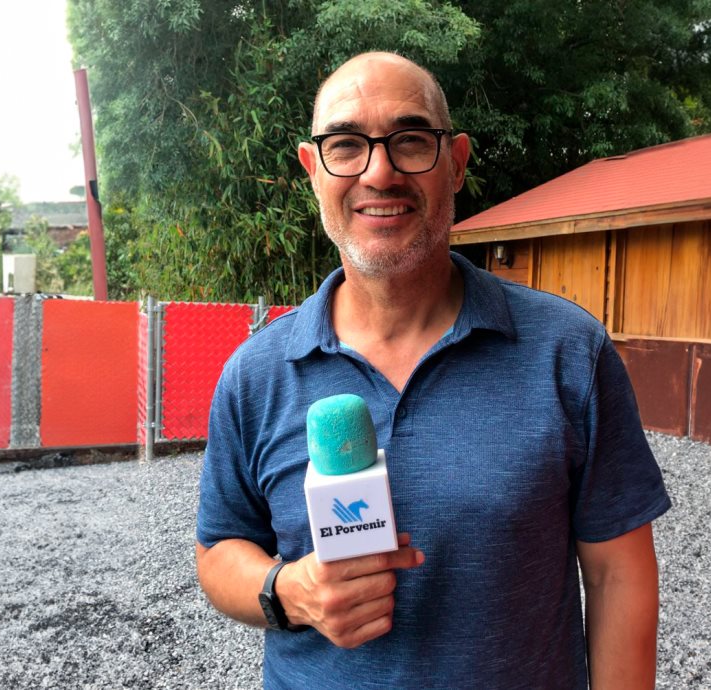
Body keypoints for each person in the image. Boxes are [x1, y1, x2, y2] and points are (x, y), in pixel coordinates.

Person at [196, 52, 671, 689]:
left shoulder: (568, 352)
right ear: (313, 170)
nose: (380, 172)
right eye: (345, 145)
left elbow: (618, 574)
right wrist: (288, 591)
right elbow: (219, 549)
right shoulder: (256, 374)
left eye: (412, 140)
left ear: (457, 161)